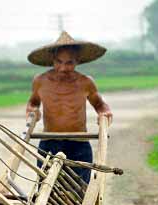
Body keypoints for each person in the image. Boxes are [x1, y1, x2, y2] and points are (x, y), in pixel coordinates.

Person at [26, 31, 113, 184]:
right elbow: (33, 102)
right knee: (46, 187)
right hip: (49, 141)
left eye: (69, 63)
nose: (63, 68)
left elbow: (100, 105)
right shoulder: (40, 81)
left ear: (77, 61)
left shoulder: (85, 82)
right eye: (59, 62)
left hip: (78, 142)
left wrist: (104, 113)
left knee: (79, 189)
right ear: (53, 60)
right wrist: (32, 110)